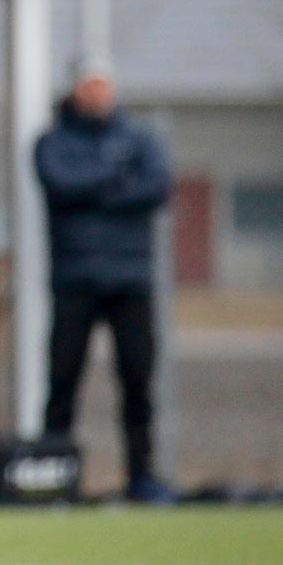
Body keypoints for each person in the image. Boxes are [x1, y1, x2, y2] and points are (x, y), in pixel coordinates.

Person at [34, 63, 174, 503]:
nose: (97, 94)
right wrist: (115, 176)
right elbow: (61, 185)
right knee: (62, 380)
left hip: (131, 280)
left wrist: (94, 187)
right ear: (75, 89)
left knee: (137, 381)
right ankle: (54, 474)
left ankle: (142, 476)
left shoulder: (139, 139)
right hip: (74, 279)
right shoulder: (52, 141)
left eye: (103, 85)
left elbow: (157, 187)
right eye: (88, 85)